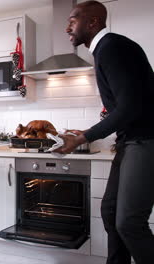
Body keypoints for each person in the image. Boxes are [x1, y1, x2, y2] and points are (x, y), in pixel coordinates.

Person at [55, 1, 154, 263]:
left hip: (145, 140)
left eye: (73, 20)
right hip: (131, 141)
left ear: (93, 22)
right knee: (110, 212)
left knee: (130, 222)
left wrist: (82, 137)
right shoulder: (105, 50)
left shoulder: (112, 48)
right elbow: (127, 106)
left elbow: (130, 107)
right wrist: (85, 132)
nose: (67, 27)